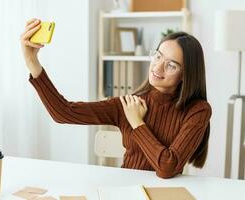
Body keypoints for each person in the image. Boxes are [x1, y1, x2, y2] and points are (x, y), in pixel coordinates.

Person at [20, 18, 212, 179]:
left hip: (168, 193)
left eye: (171, 65)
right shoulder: (129, 103)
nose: (157, 67)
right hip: (125, 190)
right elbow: (63, 113)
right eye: (158, 56)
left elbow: (167, 168)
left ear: (186, 74)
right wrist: (32, 62)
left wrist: (137, 122)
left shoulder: (198, 110)